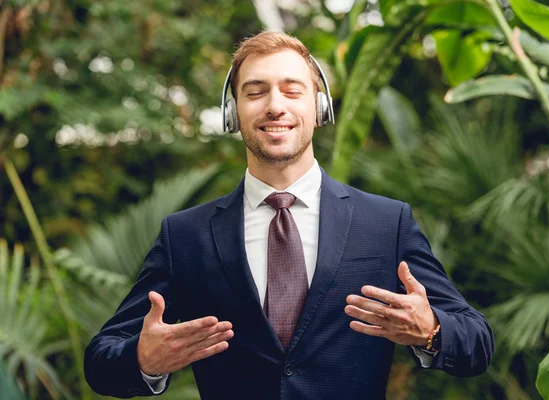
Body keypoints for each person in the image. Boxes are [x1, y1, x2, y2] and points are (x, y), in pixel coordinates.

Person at [84, 31, 494, 399]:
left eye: (292, 91)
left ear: (319, 109)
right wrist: (143, 359)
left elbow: (477, 342)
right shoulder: (185, 235)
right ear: (233, 113)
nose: (275, 106)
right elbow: (101, 361)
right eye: (256, 91)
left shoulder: (387, 223)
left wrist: (433, 331)